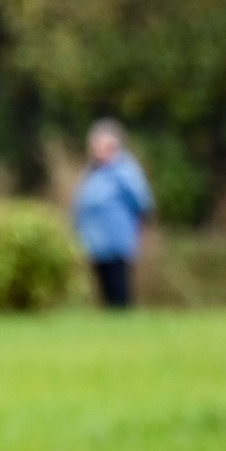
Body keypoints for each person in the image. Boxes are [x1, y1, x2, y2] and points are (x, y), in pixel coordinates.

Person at [74, 118, 153, 309]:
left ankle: (124, 320)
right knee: (104, 285)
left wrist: (141, 225)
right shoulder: (91, 172)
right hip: (95, 241)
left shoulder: (124, 170)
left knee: (119, 283)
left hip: (117, 239)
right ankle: (112, 321)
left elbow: (141, 201)